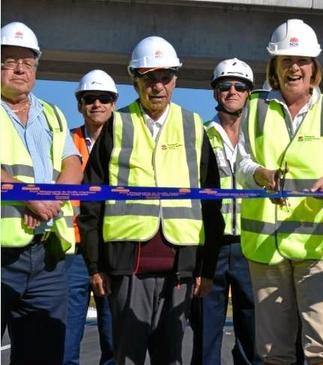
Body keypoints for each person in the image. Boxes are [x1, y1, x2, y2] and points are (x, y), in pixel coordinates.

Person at [79, 35, 223, 365]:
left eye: (165, 78)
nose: (158, 86)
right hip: (128, 265)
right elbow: (92, 202)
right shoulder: (116, 124)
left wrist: (207, 265)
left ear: (175, 80)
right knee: (127, 356)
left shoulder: (193, 126)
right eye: (149, 78)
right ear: (135, 81)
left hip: (181, 266)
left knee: (171, 357)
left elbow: (212, 200)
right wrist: (95, 265)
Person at [236, 18, 323, 365]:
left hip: (319, 244)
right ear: (274, 66)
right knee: (273, 351)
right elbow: (241, 162)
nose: (294, 68)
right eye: (285, 60)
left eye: (301, 61)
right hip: (266, 246)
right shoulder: (255, 107)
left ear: (314, 67)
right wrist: (259, 173)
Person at [1, 21, 82, 364]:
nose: (20, 69)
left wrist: (51, 202)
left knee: (44, 354)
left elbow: (73, 164)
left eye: (28, 62)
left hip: (47, 254)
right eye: (9, 60)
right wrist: (30, 197)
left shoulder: (52, 114)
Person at [191, 58, 261, 365]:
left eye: (240, 86)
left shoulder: (261, 139)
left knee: (254, 333)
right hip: (211, 247)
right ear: (215, 93)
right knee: (206, 332)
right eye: (224, 86)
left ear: (249, 93)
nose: (232, 91)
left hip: (251, 244)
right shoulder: (199, 135)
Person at [66, 69, 117, 365]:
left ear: (113, 104)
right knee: (66, 335)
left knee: (114, 336)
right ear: (80, 104)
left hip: (111, 247)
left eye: (104, 98)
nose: (96, 104)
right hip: (72, 249)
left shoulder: (126, 145)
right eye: (89, 98)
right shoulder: (64, 142)